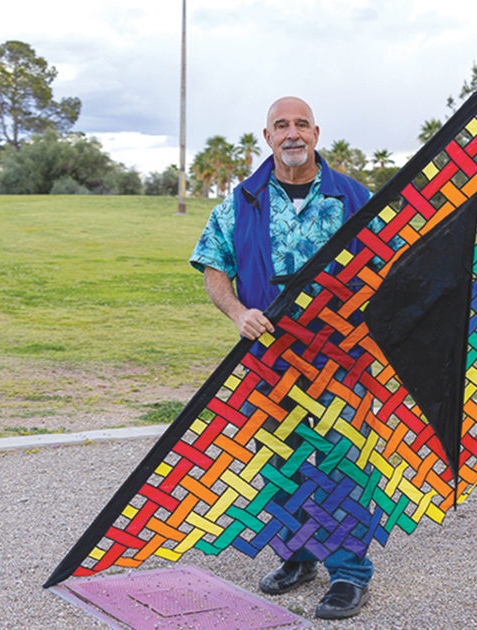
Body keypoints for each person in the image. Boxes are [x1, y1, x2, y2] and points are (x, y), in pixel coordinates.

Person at [189, 96, 373, 620]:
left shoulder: (352, 198)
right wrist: (237, 312)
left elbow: (387, 266)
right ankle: (297, 557)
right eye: (280, 126)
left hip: (341, 358)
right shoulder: (240, 202)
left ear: (316, 133)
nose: (291, 133)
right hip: (270, 358)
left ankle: (348, 573)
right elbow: (213, 267)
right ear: (267, 138)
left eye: (300, 124)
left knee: (344, 462)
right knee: (280, 462)